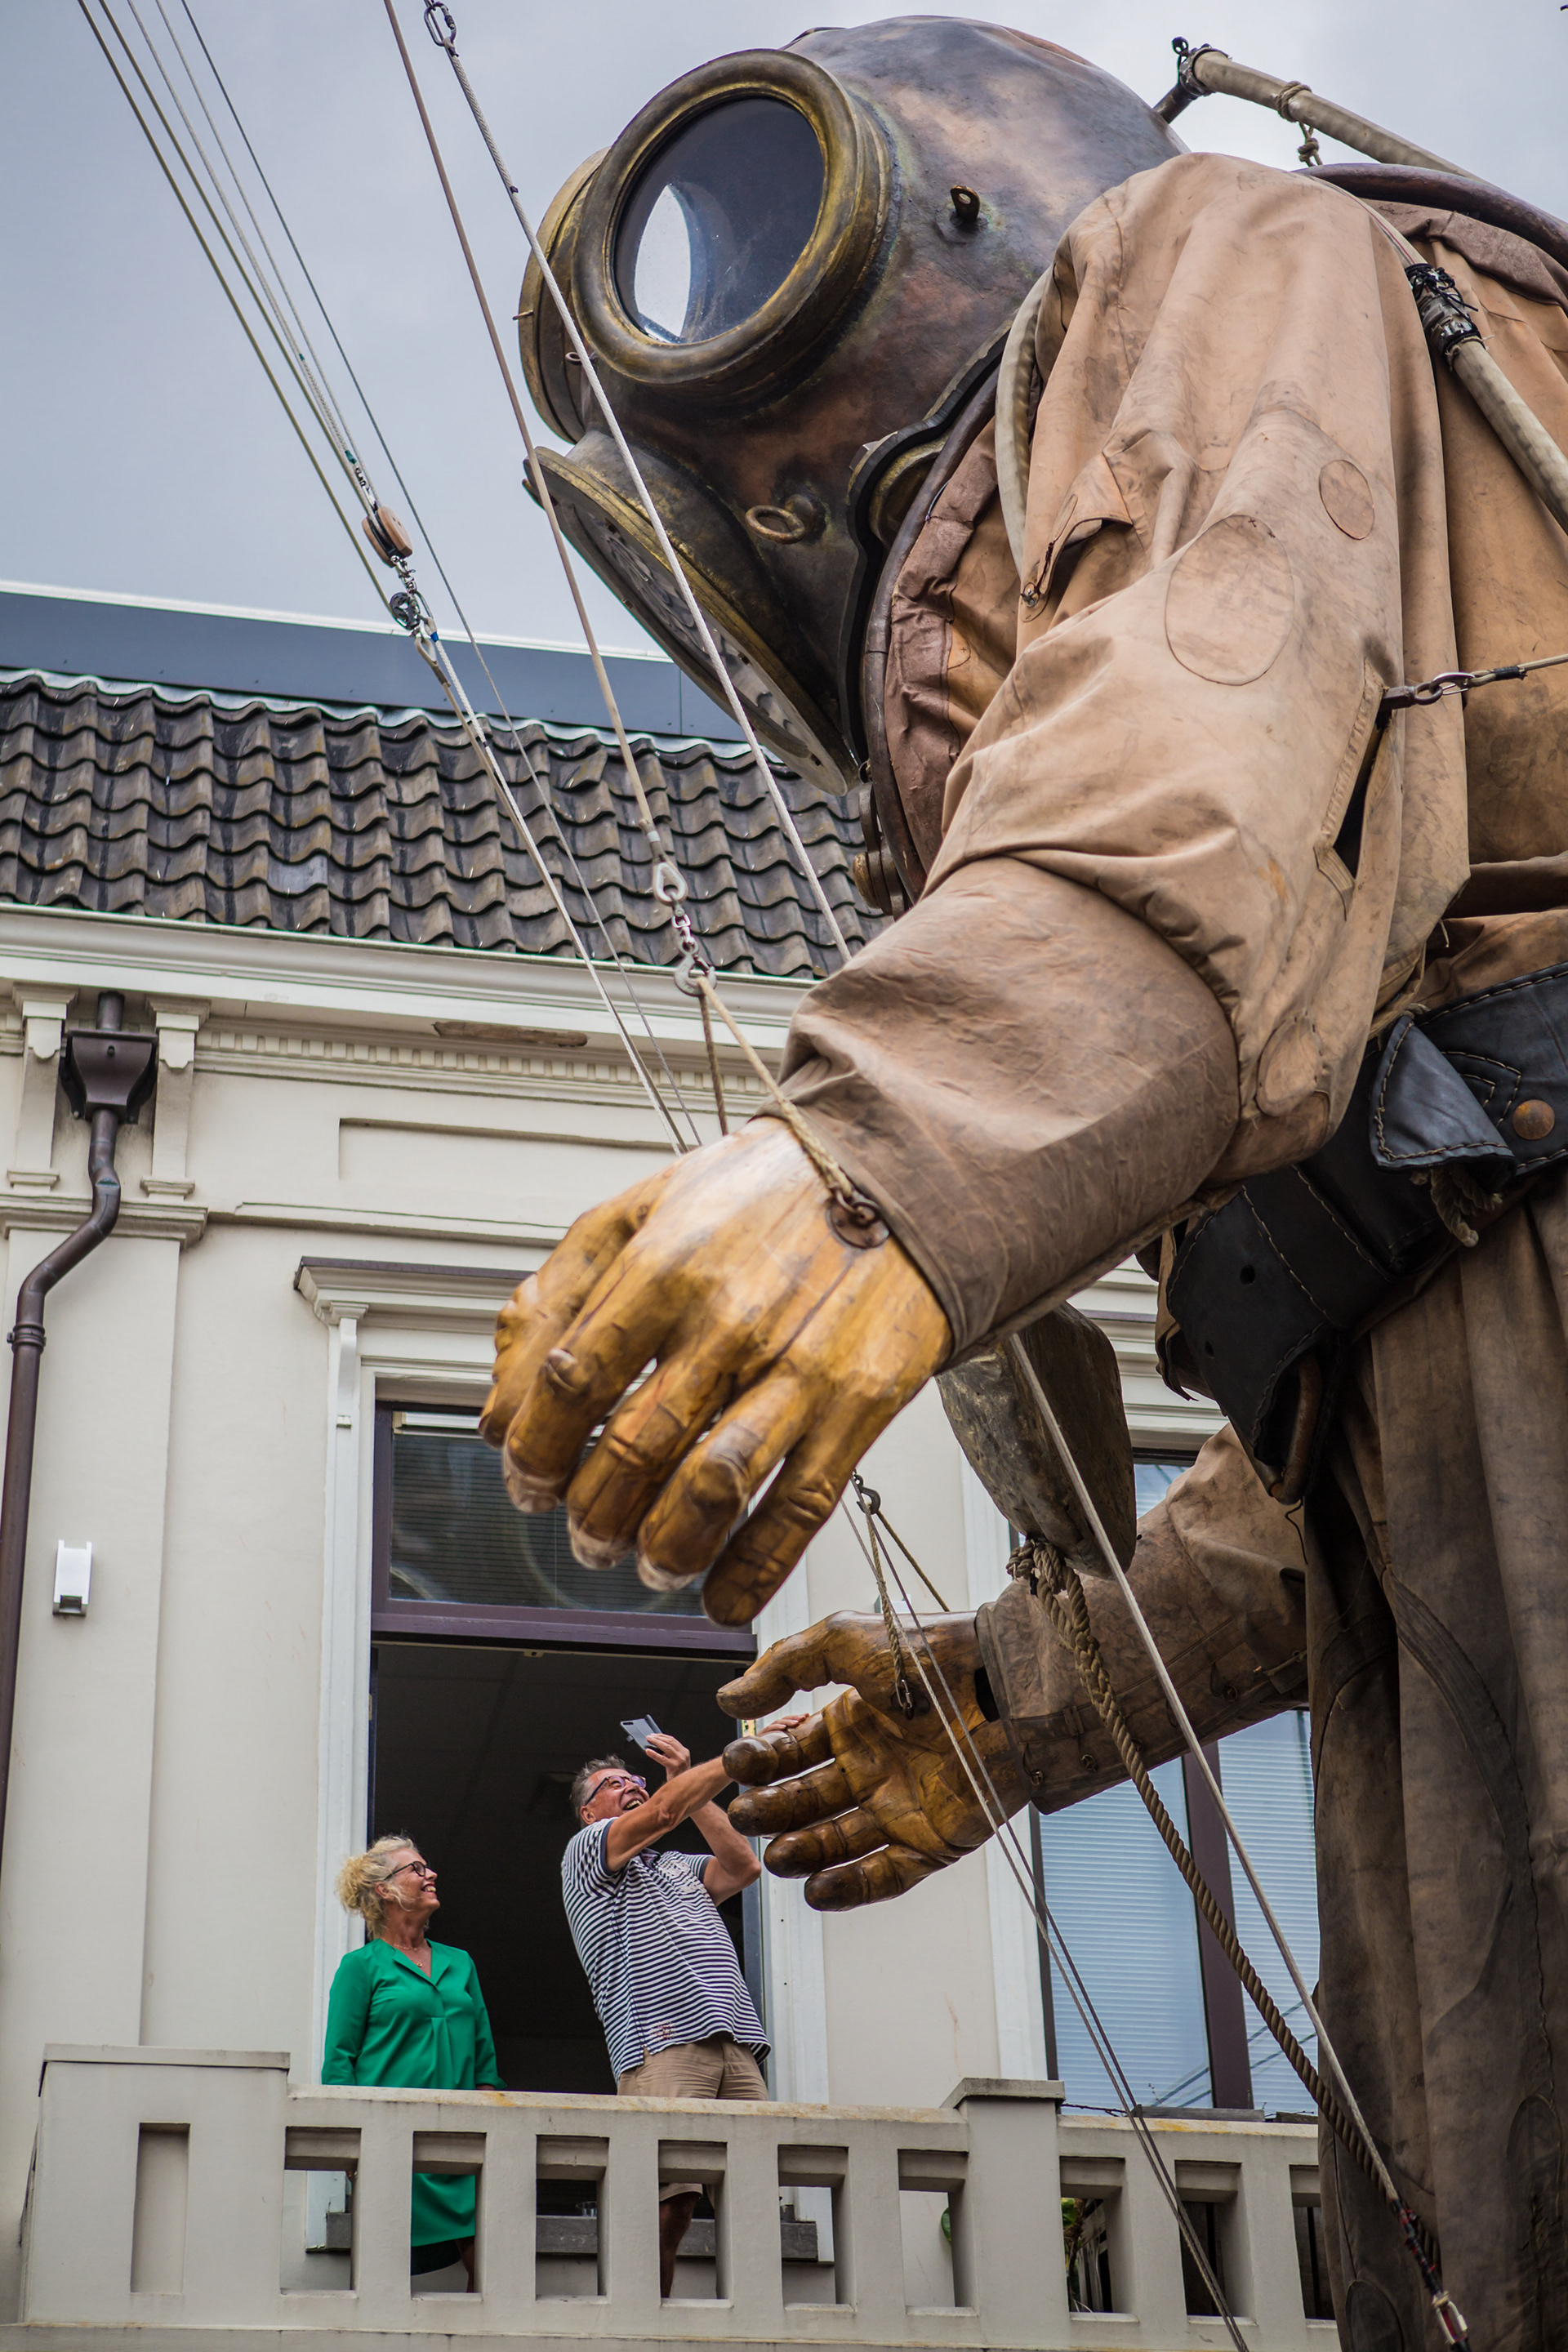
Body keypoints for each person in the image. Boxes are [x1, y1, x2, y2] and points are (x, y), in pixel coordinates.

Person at [483, 22, 1568, 2344]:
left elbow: (1214, 695)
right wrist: (1024, 1699)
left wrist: (888, 1144)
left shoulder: (1230, 254)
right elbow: (1331, 1471)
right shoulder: (1392, 1064)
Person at [562, 1733, 764, 2296]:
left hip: (735, 2044)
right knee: (669, 2205)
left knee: (752, 2200)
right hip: (661, 2046)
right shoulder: (586, 1855)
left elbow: (744, 1866)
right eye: (614, 1784)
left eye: (636, 1780)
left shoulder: (678, 1865)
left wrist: (693, 1788)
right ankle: (647, 2323)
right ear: (588, 1811)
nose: (630, 1786)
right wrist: (727, 1764)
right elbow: (663, 1811)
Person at [323, 1835, 503, 2287]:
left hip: (461, 2139)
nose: (431, 1875)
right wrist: (351, 2144)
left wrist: (492, 2130)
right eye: (417, 1869)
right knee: (382, 2277)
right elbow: (339, 2061)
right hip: (391, 2141)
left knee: (493, 2267)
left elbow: (485, 2060)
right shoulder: (361, 1967)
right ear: (384, 1889)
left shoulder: (460, 1962)